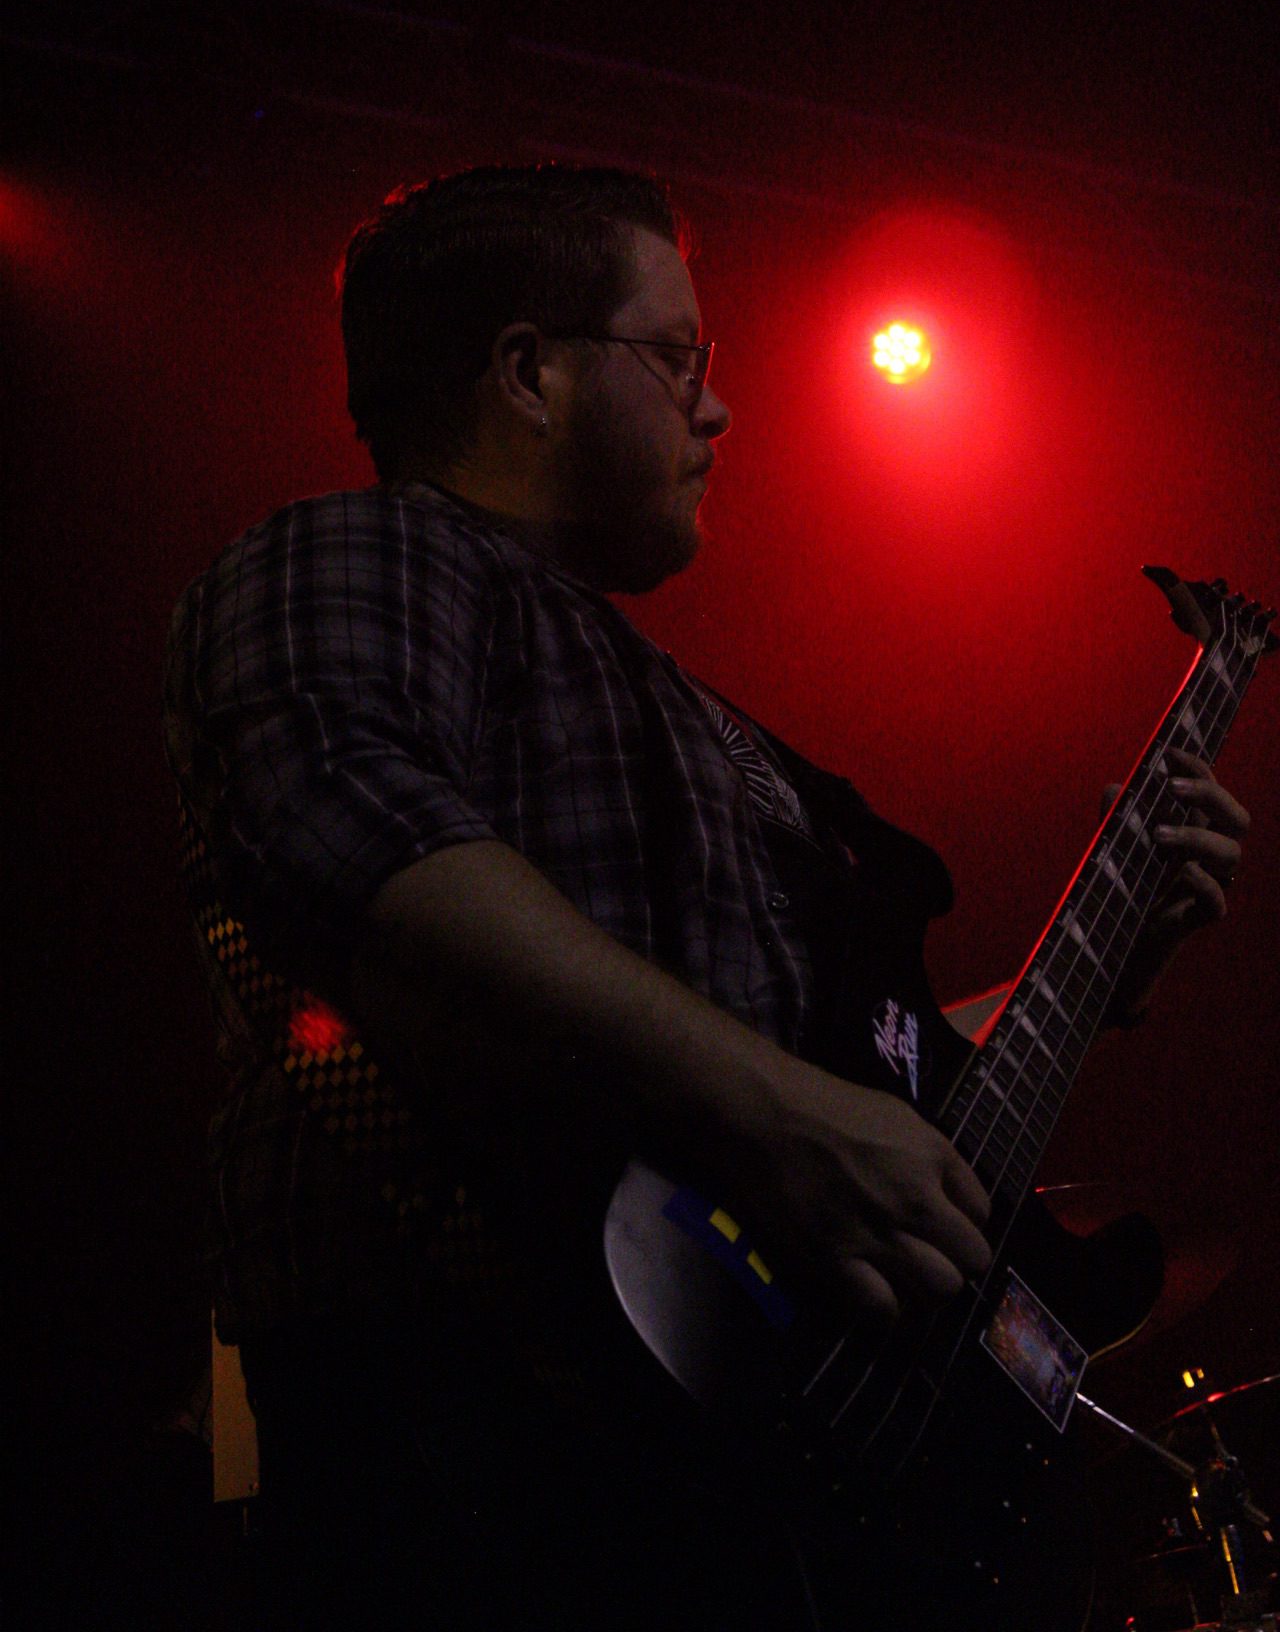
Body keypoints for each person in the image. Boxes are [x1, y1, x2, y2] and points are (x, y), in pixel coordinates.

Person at [163, 163, 1250, 1629]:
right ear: (529, 372)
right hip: (483, 1458)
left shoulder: (713, 731)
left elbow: (862, 1094)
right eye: (679, 358)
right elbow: (349, 829)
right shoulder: (341, 555)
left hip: (765, 1497)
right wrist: (788, 1117)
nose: (720, 410)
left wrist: (1100, 970)